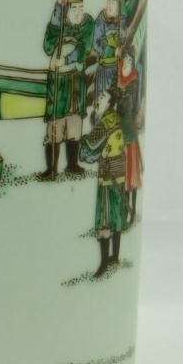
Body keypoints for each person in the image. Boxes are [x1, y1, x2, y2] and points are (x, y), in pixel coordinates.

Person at [38, 0, 94, 180]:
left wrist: (67, 60)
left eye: (81, 7)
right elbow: (48, 46)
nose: (78, 12)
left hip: (76, 80)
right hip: (58, 81)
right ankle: (51, 168)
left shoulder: (87, 24)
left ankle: (72, 164)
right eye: (74, 8)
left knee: (74, 122)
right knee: (56, 122)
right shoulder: (59, 24)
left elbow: (85, 48)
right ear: (67, 9)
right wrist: (57, 7)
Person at [80, 86, 128, 277]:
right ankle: (114, 256)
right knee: (116, 213)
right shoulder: (115, 118)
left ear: (109, 103)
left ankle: (103, 263)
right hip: (119, 170)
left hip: (108, 174)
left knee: (105, 216)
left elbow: (89, 147)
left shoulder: (104, 122)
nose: (98, 99)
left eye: (102, 97)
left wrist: (83, 140)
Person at [117, 49, 143, 224]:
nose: (126, 62)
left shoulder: (133, 80)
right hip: (120, 136)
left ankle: (131, 211)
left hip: (130, 136)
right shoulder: (119, 78)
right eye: (124, 59)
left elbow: (130, 106)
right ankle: (124, 211)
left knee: (131, 177)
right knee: (122, 178)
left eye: (129, 60)